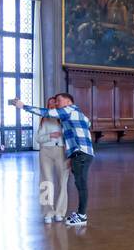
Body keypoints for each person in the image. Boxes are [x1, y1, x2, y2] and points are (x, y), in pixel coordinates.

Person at [14, 93, 93, 226]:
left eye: (58, 101)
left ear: (68, 102)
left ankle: (71, 214)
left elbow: (46, 113)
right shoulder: (66, 116)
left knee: (76, 184)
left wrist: (23, 106)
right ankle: (49, 212)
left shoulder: (67, 112)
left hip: (71, 152)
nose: (55, 104)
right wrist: (51, 136)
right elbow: (87, 123)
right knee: (49, 182)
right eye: (53, 102)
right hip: (59, 152)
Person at [34, 97, 69, 224]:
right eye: (49, 105)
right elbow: (38, 138)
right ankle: (47, 213)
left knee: (62, 181)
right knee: (46, 181)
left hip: (62, 151)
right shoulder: (44, 119)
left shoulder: (65, 118)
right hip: (46, 152)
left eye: (54, 104)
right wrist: (50, 136)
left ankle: (60, 212)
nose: (52, 106)